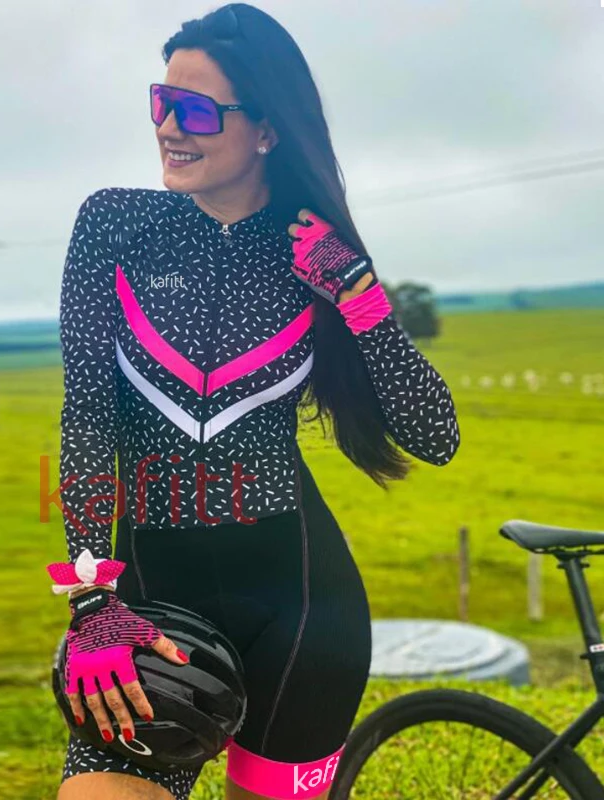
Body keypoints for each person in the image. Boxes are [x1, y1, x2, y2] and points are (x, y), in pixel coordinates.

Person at [55, 4, 460, 799]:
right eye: (161, 102)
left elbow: (435, 435)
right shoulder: (115, 225)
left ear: (266, 130)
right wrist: (93, 602)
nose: (168, 126)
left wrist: (362, 299)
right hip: (149, 608)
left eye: (197, 110)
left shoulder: (318, 251)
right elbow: (87, 421)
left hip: (304, 617)